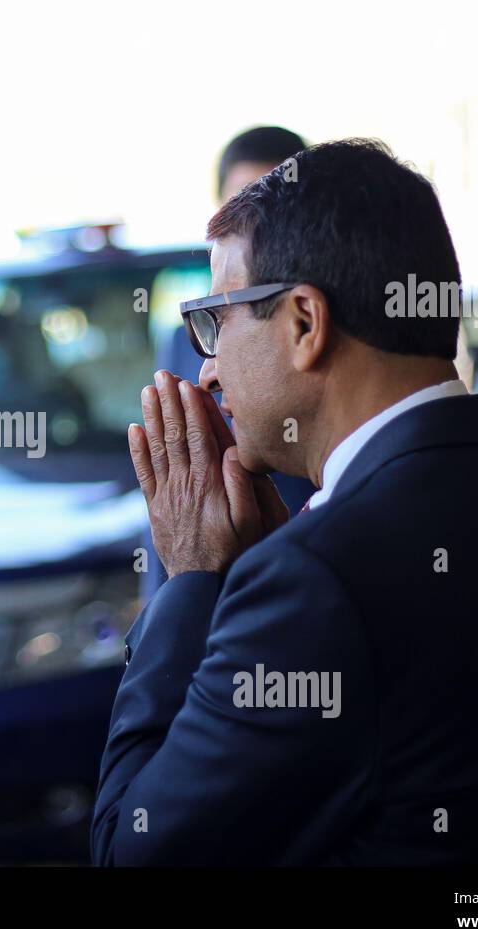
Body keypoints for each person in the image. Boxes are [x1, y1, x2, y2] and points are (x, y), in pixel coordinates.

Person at [93, 139, 478, 865]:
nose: (206, 370)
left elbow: (132, 850)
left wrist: (192, 580)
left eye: (217, 319)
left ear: (305, 323)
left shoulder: (315, 582)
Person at [143, 127, 313, 598]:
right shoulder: (184, 340)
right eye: (240, 203)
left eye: (271, 203)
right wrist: (174, 594)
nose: (211, 370)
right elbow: (180, 478)